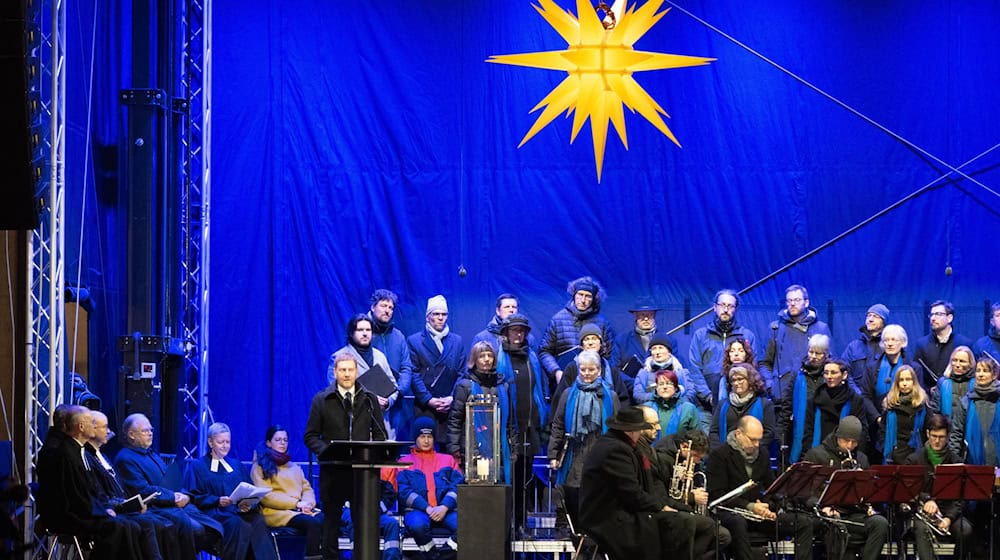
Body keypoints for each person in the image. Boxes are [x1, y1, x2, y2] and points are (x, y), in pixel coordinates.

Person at [305, 352, 400, 560]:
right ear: (335, 372)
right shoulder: (322, 399)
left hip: (362, 474)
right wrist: (326, 451)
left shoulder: (369, 398)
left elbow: (380, 435)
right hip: (333, 471)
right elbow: (310, 436)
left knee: (363, 522)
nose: (347, 374)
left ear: (357, 372)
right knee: (331, 523)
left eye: (350, 370)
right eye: (342, 370)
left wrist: (376, 449)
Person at [578, 406, 698, 560]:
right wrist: (661, 506)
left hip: (619, 512)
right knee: (681, 522)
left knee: (686, 521)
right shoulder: (615, 450)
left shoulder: (618, 445)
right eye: (640, 429)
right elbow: (632, 493)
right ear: (631, 431)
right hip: (608, 519)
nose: (641, 432)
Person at [36, 405, 146, 559]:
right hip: (72, 516)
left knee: (130, 525)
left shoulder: (78, 451)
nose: (93, 425)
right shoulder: (67, 454)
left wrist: (105, 507)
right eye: (90, 422)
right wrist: (102, 511)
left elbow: (88, 490)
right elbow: (75, 495)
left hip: (84, 509)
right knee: (121, 526)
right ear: (81, 427)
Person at [114, 413, 224, 556]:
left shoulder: (151, 454)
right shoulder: (125, 458)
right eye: (145, 431)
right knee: (196, 529)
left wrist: (184, 496)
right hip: (155, 508)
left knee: (214, 527)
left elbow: (171, 481)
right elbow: (142, 490)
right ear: (131, 435)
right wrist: (173, 497)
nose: (150, 434)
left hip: (172, 504)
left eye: (151, 430)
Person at [706, 416, 814, 560]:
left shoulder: (762, 454)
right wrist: (749, 506)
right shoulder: (719, 455)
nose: (757, 444)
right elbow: (717, 495)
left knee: (803, 522)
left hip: (758, 514)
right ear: (739, 434)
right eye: (753, 439)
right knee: (737, 522)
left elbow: (771, 489)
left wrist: (768, 507)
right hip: (731, 513)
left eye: (759, 439)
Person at [86, 410, 184, 560]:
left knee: (166, 523)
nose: (109, 431)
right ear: (89, 429)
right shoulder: (98, 457)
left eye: (151, 430)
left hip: (126, 505)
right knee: (157, 523)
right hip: (111, 510)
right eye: (105, 427)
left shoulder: (103, 455)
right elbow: (97, 491)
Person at [183, 423, 277, 560]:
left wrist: (248, 503)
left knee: (258, 520)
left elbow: (249, 488)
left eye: (228, 442)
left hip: (238, 510)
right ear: (210, 442)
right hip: (214, 512)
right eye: (221, 442)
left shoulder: (236, 465)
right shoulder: (197, 466)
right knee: (237, 523)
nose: (225, 445)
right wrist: (217, 500)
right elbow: (192, 496)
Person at [802, 416, 889, 560]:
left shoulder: (861, 459)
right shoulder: (817, 455)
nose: (849, 445)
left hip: (852, 513)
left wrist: (864, 486)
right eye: (845, 440)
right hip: (826, 516)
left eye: (854, 442)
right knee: (836, 529)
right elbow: (804, 492)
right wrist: (821, 506)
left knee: (880, 524)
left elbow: (868, 495)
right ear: (838, 437)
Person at [548, 350, 619, 524]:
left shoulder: (610, 396)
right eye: (583, 370)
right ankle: (570, 529)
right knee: (572, 491)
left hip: (599, 452)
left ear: (599, 371)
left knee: (597, 493)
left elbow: (617, 430)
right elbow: (558, 425)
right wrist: (553, 454)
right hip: (574, 451)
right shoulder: (567, 394)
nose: (587, 374)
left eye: (591, 370)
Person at [494, 313, 549, 531]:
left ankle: (521, 522)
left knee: (525, 477)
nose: (518, 333)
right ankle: (506, 523)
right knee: (510, 477)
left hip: (529, 428)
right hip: (508, 429)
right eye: (514, 330)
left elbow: (538, 390)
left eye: (522, 330)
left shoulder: (531, 358)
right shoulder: (499, 360)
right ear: (506, 333)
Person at [383, 416, 463, 557]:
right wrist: (427, 508)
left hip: (446, 510)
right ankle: (432, 555)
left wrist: (444, 507)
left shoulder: (448, 460)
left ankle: (443, 556)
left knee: (467, 526)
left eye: (429, 436)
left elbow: (458, 486)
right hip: (417, 511)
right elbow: (403, 492)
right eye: (422, 436)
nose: (426, 441)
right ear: (416, 438)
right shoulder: (404, 462)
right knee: (417, 526)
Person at [647, 423, 731, 557]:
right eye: (696, 456)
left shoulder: (690, 459)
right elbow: (662, 496)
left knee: (723, 536)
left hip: (687, 510)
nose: (697, 461)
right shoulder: (663, 459)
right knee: (708, 529)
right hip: (672, 512)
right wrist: (692, 497)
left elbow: (695, 486)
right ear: (684, 446)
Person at [904, 414, 973, 560]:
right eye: (934, 436)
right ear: (928, 434)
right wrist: (927, 500)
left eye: (941, 437)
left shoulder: (956, 462)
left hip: (947, 512)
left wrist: (949, 518)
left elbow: (961, 498)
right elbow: (908, 491)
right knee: (922, 530)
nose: (936, 441)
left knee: (965, 530)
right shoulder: (914, 460)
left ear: (948, 436)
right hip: (921, 514)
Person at [251, 425, 324, 560]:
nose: (282, 443)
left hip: (300, 510)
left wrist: (307, 504)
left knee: (327, 520)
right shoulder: (259, 467)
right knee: (313, 524)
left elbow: (307, 488)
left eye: (285, 440)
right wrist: (296, 504)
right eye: (278, 440)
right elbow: (266, 496)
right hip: (276, 512)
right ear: (269, 443)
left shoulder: (294, 467)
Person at [446, 342, 514, 480]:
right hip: (472, 448)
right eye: (482, 356)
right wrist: (454, 448)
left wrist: (514, 447)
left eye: (490, 355)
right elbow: (455, 421)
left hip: (499, 448)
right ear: (474, 360)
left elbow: (510, 421)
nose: (487, 359)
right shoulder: (465, 386)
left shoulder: (503, 386)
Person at [758, 284, 832, 408]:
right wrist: (771, 386)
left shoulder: (821, 328)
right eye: (789, 300)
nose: (792, 303)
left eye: (797, 300)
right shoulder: (775, 328)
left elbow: (830, 361)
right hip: (781, 398)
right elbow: (764, 362)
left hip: (813, 397)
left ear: (806, 302)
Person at [329, 314, 400, 438]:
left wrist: (388, 402)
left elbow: (394, 386)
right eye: (360, 330)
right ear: (351, 333)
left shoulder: (379, 356)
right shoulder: (339, 357)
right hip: (353, 424)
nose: (365, 333)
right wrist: (371, 400)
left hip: (380, 423)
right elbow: (336, 391)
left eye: (368, 330)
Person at [539, 276, 616, 389]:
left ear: (594, 299)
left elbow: (610, 355)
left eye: (588, 296)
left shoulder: (602, 323)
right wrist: (556, 371)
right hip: (564, 383)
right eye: (580, 295)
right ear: (574, 295)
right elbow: (544, 351)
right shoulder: (558, 320)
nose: (583, 300)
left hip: (595, 384)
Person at [408, 295, 466, 439]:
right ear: (428, 317)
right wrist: (428, 399)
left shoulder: (457, 341)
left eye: (444, 314)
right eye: (436, 314)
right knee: (426, 448)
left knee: (451, 449)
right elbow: (413, 373)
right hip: (426, 406)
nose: (440, 317)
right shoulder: (415, 341)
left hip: (450, 406)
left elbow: (462, 372)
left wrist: (452, 397)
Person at [688, 289, 758, 404]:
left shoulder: (747, 335)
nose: (726, 310)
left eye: (730, 306)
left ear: (736, 309)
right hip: (706, 401)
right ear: (715, 307)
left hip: (740, 401)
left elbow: (753, 368)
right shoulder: (701, 335)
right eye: (722, 305)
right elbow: (694, 368)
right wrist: (708, 396)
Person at [367, 289, 416, 439]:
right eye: (383, 306)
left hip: (394, 403)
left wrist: (396, 392)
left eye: (391, 308)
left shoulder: (398, 336)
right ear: (373, 307)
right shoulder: (362, 331)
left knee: (390, 444)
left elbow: (406, 367)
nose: (387, 310)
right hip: (366, 402)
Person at [778, 333, 833, 463]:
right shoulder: (797, 375)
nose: (813, 357)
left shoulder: (831, 375)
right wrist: (781, 435)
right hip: (800, 434)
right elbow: (787, 406)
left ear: (826, 355)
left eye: (818, 353)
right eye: (811, 352)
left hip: (825, 434)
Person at [552, 323, 630, 408]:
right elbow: (560, 399)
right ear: (582, 345)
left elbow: (622, 399)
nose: (590, 343)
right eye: (586, 339)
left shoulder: (610, 369)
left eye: (594, 339)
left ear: (600, 343)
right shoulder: (572, 368)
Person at [802, 359, 867, 453]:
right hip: (819, 453)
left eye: (833, 373)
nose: (829, 376)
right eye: (826, 373)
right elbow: (808, 430)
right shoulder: (814, 399)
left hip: (846, 451)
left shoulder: (854, 400)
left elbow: (861, 431)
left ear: (844, 375)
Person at [633, 333, 710, 412]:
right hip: (652, 412)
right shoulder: (644, 373)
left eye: (660, 348)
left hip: (679, 411)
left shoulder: (681, 372)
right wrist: (657, 396)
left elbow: (690, 393)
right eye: (654, 348)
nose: (657, 352)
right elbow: (638, 395)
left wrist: (676, 402)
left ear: (669, 351)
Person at [710, 363, 775, 450]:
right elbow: (714, 432)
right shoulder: (723, 405)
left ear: (750, 380)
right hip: (726, 455)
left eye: (740, 379)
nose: (736, 383)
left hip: (755, 455)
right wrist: (722, 452)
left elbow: (769, 433)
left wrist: (750, 449)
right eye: (733, 380)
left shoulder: (765, 405)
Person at [613, 297, 676, 387]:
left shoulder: (669, 340)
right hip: (629, 392)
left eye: (649, 314)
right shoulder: (622, 340)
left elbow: (675, 367)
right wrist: (636, 384)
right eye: (642, 314)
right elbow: (615, 370)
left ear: (655, 315)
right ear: (635, 315)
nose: (646, 318)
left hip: (661, 391)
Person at [949, 356, 1000, 465]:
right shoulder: (965, 402)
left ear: (994, 375)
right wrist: (955, 461)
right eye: (978, 371)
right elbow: (956, 434)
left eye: (985, 371)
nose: (981, 374)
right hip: (973, 463)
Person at [912, 300, 973, 390]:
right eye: (931, 314)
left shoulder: (964, 343)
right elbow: (916, 375)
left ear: (949, 318)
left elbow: (971, 374)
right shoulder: (921, 344)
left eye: (938, 314)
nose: (933, 318)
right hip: (928, 398)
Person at [878, 365, 928, 464]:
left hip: (916, 454)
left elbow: (928, 430)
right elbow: (882, 431)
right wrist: (885, 446)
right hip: (894, 455)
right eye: (901, 380)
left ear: (914, 382)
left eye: (908, 379)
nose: (904, 383)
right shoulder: (890, 404)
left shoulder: (922, 404)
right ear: (897, 383)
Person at [841, 304, 890, 388]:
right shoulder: (853, 347)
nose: (870, 319)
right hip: (856, 398)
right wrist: (858, 395)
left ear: (883, 322)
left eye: (875, 316)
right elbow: (844, 372)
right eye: (868, 316)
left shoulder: (889, 346)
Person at [471, 293, 535, 352]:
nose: (511, 310)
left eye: (514, 307)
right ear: (498, 311)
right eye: (507, 307)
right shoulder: (482, 338)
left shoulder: (528, 338)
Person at [646, 370, 700, 440]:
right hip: (650, 450)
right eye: (661, 384)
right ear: (656, 388)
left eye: (669, 383)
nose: (664, 387)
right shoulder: (647, 408)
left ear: (675, 387)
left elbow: (697, 438)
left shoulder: (688, 409)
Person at [929, 345, 976, 417]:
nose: (957, 364)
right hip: (947, 425)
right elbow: (935, 410)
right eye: (954, 360)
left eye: (962, 361)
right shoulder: (943, 382)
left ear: (970, 364)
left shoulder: (976, 383)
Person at [715, 338, 757, 402]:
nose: (736, 354)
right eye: (732, 351)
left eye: (741, 350)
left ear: (746, 354)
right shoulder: (723, 380)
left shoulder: (755, 376)